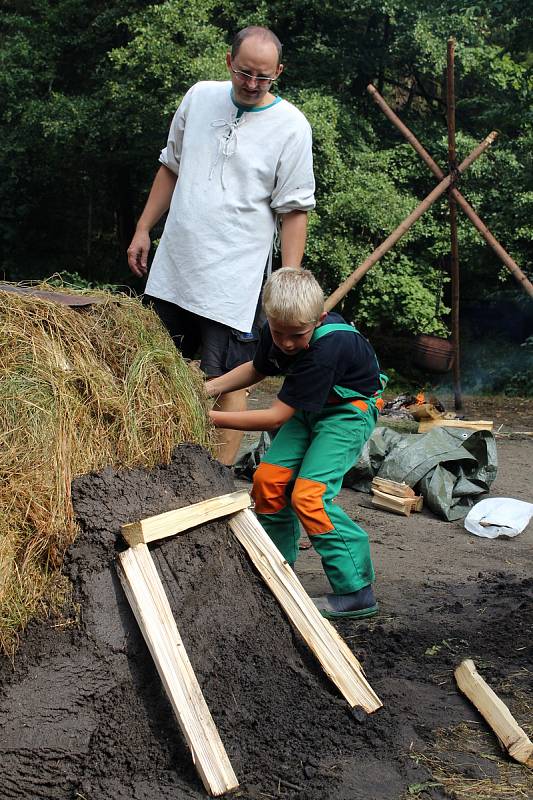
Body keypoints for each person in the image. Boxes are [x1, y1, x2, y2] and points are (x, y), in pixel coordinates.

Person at [127, 26, 315, 466]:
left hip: (232, 283)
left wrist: (287, 282)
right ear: (229, 62)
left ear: (279, 73)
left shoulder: (292, 127)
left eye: (263, 78)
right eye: (245, 73)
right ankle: (146, 466)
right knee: (152, 369)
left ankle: (217, 480)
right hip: (174, 268)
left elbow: (294, 211)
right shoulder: (199, 97)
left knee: (230, 382)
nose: (252, 84)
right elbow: (170, 167)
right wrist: (143, 228)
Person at [206, 268, 387, 619]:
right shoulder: (274, 330)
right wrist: (207, 389)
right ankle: (276, 569)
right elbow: (257, 369)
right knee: (267, 481)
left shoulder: (327, 347)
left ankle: (356, 590)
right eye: (279, 333)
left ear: (318, 319)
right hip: (310, 407)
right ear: (268, 319)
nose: (286, 343)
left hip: (348, 410)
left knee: (309, 495)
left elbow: (274, 417)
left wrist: (209, 417)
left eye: (297, 335)